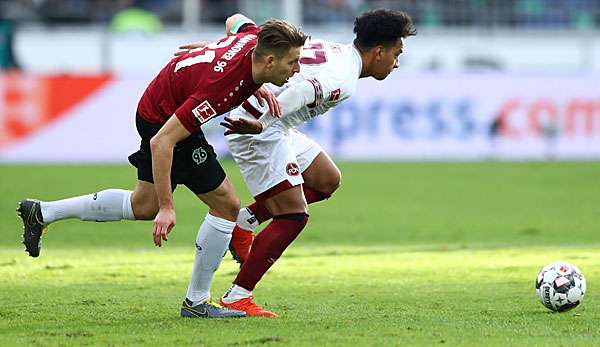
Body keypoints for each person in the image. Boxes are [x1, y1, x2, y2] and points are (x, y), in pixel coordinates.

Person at [16, 13, 307, 319]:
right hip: (162, 120)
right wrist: (167, 207)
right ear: (270, 61)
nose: (297, 69)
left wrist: (218, 53)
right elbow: (162, 142)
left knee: (142, 205)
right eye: (293, 62)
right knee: (226, 204)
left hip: (155, 105)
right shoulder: (220, 87)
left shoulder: (252, 38)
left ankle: (43, 211)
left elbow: (236, 19)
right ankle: (196, 303)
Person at [218, 9, 416, 317]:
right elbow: (301, 90)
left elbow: (247, 28)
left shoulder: (333, 49)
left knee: (326, 179)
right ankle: (237, 296)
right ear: (379, 52)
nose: (397, 62)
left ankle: (245, 223)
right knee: (293, 216)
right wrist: (263, 121)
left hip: (276, 126)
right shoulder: (344, 78)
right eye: (396, 53)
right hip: (258, 127)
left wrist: (216, 49)